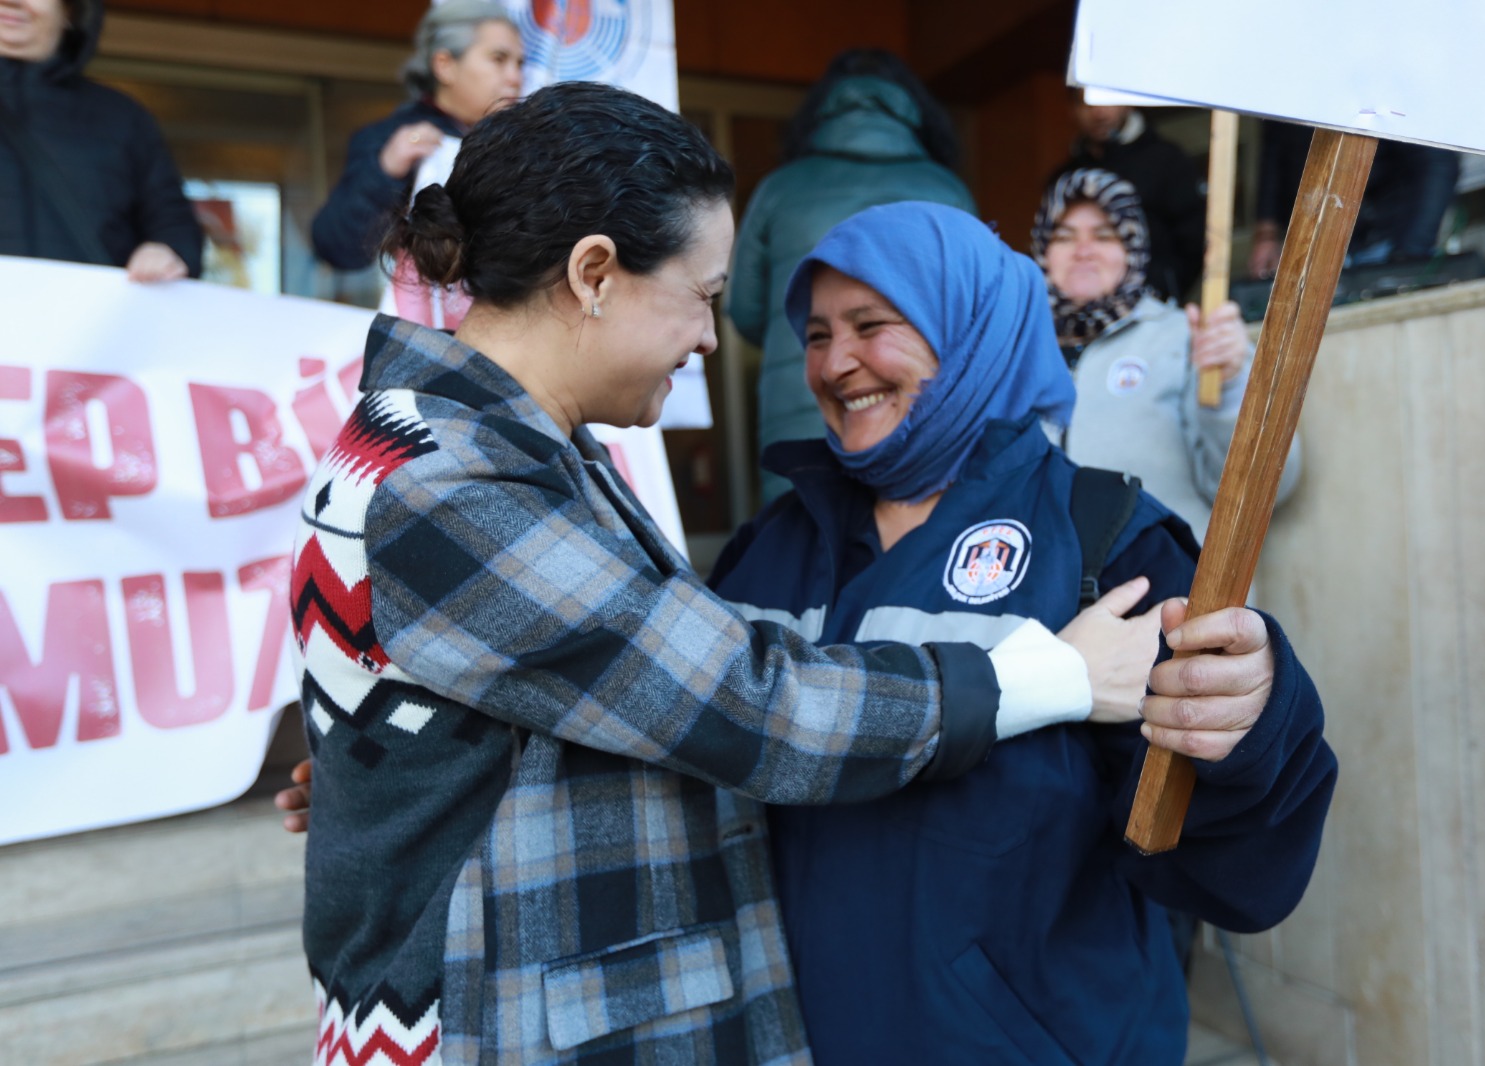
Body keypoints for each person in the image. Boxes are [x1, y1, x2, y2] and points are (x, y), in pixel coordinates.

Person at [289, 82, 1138, 1065]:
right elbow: (746, 703)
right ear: (595, 273)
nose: (706, 340)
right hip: (492, 1023)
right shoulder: (452, 483)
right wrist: (1046, 677)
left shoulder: (503, 446)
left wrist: (393, 783)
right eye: (701, 296)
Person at [707, 201, 1336, 1064]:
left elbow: (1225, 871)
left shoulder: (1107, 539)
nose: (834, 363)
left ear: (971, 331)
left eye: (871, 325)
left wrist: (1256, 720)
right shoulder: (768, 546)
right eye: (815, 334)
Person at [727, 48, 975, 503]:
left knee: (796, 544)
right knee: (908, 546)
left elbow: (743, 310)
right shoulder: (946, 191)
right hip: (918, 404)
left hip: (800, 399)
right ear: (909, 107)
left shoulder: (780, 189)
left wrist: (812, 338)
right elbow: (972, 318)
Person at [1031, 166, 1302, 540]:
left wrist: (1230, 386)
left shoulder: (1189, 339)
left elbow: (1268, 489)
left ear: (1134, 248)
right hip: (1049, 596)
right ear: (1042, 248)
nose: (1083, 251)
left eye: (1104, 235)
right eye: (1064, 236)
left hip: (1172, 593)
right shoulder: (1016, 352)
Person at [309, 0, 521, 271]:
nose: (515, 77)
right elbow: (336, 247)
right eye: (499, 59)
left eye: (519, 63)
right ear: (445, 65)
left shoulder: (519, 147)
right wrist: (385, 169)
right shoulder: (388, 140)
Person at [0, 0, 201, 280]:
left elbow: (173, 223)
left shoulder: (123, 118)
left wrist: (169, 252)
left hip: (91, 318)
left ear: (70, 11)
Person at [1250, 119, 1461, 278]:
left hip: (1387, 241)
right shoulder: (1297, 80)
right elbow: (1275, 147)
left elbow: (1437, 163)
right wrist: (1266, 233)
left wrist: (1409, 255)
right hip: (1315, 246)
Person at [1057, 91, 1204, 302]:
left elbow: (1195, 238)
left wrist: (1161, 288)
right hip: (1087, 314)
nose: (1098, 112)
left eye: (1107, 100)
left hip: (1156, 309)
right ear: (1072, 110)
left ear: (1128, 102)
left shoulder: (1167, 160)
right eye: (1086, 103)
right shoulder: (1064, 179)